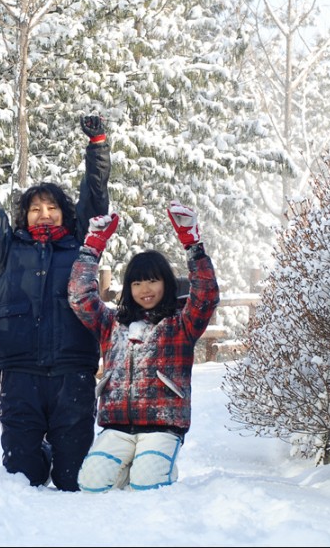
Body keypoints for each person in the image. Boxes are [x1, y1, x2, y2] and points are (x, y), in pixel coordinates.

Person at [0, 115, 111, 492]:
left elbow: (95, 194)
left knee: (72, 478)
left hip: (71, 367)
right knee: (23, 475)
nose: (44, 214)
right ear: (24, 216)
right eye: (35, 209)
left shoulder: (79, 244)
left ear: (64, 212)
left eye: (52, 207)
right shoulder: (9, 247)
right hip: (21, 368)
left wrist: (98, 146)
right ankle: (36, 449)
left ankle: (60, 451)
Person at [68, 201, 220, 492]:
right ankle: (129, 468)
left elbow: (206, 296)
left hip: (162, 424)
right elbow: (80, 297)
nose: (145, 289)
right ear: (129, 288)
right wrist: (92, 247)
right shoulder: (112, 323)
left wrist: (193, 244)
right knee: (91, 484)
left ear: (167, 283)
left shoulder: (181, 323)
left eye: (152, 281)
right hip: (117, 425)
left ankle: (158, 470)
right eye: (137, 283)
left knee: (147, 484)